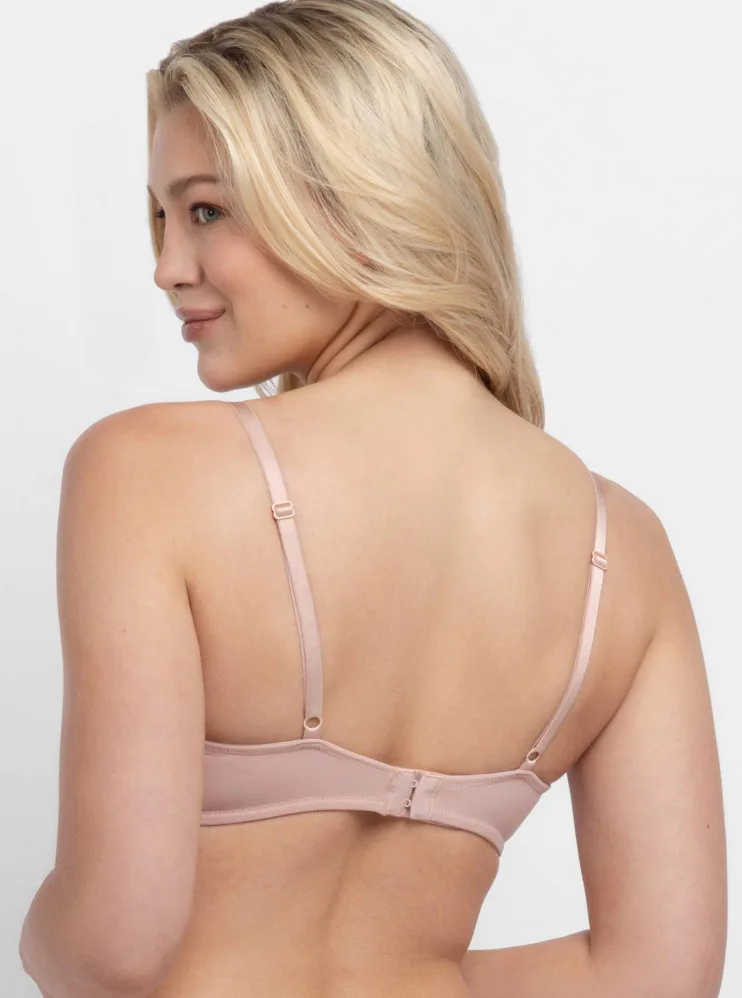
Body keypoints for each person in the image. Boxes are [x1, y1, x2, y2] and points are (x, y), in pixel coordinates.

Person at [18, 2, 727, 997]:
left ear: (353, 204)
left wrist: (36, 935)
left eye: (206, 210)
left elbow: (113, 947)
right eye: (161, 218)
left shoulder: (148, 470)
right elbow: (659, 972)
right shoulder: (624, 548)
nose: (167, 267)